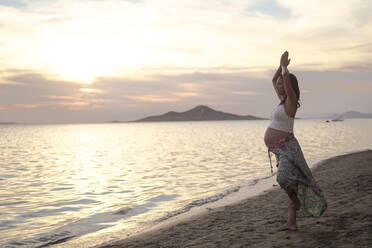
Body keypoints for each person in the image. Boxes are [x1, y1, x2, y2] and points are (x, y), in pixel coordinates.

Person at [264, 51, 327, 231]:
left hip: (288, 148)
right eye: (278, 84)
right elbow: (273, 80)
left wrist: (285, 68)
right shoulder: (282, 102)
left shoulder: (292, 101)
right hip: (278, 149)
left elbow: (284, 79)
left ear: (288, 86)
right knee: (288, 179)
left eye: (282, 84)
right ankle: (292, 220)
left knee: (283, 178)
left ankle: (295, 202)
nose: (278, 86)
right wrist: (279, 65)